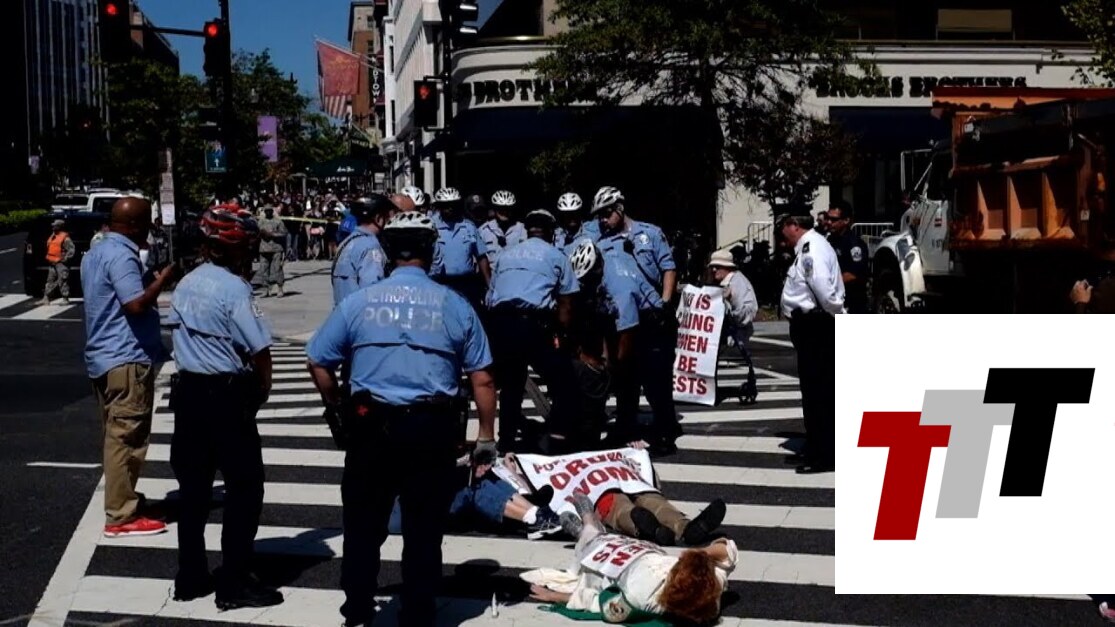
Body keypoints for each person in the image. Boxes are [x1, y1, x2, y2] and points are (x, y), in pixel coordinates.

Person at [306, 211, 499, 627]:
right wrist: (486, 436)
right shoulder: (455, 304)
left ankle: (358, 605)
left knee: (363, 523)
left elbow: (319, 359)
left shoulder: (360, 302)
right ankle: (418, 610)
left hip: (369, 425)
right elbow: (482, 378)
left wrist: (337, 405)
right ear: (430, 251)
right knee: (424, 528)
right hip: (431, 429)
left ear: (389, 250)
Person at [166, 207, 282, 609]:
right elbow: (260, 348)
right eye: (245, 247)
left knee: (193, 492)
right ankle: (233, 583)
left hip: (189, 394)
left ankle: (190, 576)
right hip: (226, 396)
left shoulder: (186, 282)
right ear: (232, 249)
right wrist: (263, 387)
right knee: (245, 489)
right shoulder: (235, 289)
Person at [81, 197, 174, 538]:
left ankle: (125, 498)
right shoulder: (122, 256)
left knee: (116, 433)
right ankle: (121, 515)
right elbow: (134, 304)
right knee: (127, 437)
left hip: (103, 355)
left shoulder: (96, 252)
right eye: (147, 221)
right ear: (134, 225)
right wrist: (163, 280)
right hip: (125, 356)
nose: (151, 227)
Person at [523, 494, 739, 626]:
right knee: (615, 540)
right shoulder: (713, 587)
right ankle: (588, 527)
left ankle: (586, 527)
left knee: (597, 545)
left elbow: (600, 604)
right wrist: (701, 555)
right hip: (646, 552)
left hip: (618, 563)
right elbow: (728, 550)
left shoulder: (640, 596)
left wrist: (556, 596)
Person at [569, 241, 681, 456]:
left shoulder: (619, 288)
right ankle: (624, 428)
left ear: (598, 267)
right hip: (635, 321)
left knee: (654, 382)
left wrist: (615, 366)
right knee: (627, 384)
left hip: (654, 323)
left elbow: (627, 333)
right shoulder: (610, 258)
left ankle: (665, 435)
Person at [485, 209, 581, 454]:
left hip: (502, 323)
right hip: (535, 324)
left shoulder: (506, 255)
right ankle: (557, 439)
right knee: (564, 382)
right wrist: (564, 335)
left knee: (511, 386)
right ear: (550, 232)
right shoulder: (556, 256)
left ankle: (506, 442)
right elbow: (566, 303)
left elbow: (491, 295)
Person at [777, 211, 843, 474]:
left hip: (816, 325)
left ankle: (825, 454)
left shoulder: (812, 248)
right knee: (813, 391)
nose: (781, 233)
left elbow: (823, 289)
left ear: (794, 225)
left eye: (783, 226)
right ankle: (816, 446)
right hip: (811, 325)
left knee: (820, 392)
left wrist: (838, 314)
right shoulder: (808, 246)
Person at [387, 451, 562, 540]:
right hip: (405, 512)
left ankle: (535, 512)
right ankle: (533, 516)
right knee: (473, 487)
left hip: (418, 501)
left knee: (478, 477)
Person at [590, 186, 678, 306]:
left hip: (654, 308)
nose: (603, 220)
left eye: (607, 213)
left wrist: (665, 303)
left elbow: (668, 268)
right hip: (624, 311)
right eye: (600, 216)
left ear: (620, 208)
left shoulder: (651, 233)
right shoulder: (601, 246)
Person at [708, 250, 759, 404]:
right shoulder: (724, 282)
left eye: (718, 266)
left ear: (728, 267)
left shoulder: (738, 283)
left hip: (735, 334)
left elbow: (746, 315)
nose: (714, 270)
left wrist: (732, 298)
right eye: (712, 266)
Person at [429, 187, 491, 308]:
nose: (450, 208)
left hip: (466, 283)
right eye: (446, 205)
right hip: (440, 283)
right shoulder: (431, 227)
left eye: (453, 205)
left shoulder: (469, 226)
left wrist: (489, 284)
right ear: (439, 206)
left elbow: (481, 256)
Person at [331, 195, 396, 307]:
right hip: (361, 314)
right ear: (378, 219)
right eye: (387, 218)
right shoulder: (370, 247)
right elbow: (372, 292)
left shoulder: (347, 242)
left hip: (343, 312)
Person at [825, 200, 870, 313]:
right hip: (833, 301)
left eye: (834, 219)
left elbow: (853, 274)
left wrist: (827, 284)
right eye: (828, 218)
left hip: (852, 302)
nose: (829, 222)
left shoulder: (854, 244)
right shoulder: (829, 240)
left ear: (846, 220)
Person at [479, 190, 526, 265]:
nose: (505, 211)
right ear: (494, 209)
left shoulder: (522, 229)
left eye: (508, 208)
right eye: (500, 208)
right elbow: (480, 258)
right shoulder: (484, 230)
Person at [41, 218, 76, 305]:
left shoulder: (65, 238)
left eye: (55, 226)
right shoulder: (52, 236)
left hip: (61, 263)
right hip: (52, 262)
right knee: (50, 280)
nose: (53, 227)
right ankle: (46, 297)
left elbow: (71, 250)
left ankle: (65, 298)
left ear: (59, 227)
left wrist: (65, 258)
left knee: (62, 280)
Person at [257, 206, 288, 297]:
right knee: (263, 269)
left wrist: (272, 234)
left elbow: (284, 233)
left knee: (277, 268)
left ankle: (280, 288)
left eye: (269, 211)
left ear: (272, 211)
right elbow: (257, 232)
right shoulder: (261, 221)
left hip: (276, 248)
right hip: (264, 248)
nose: (268, 212)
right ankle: (266, 289)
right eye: (266, 211)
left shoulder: (278, 221)